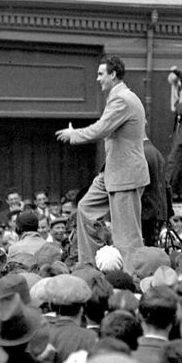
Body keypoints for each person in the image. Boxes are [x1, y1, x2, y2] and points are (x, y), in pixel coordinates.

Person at [56, 55, 149, 267]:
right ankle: (90, 266)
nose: (98, 79)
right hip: (112, 174)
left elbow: (101, 128)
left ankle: (130, 279)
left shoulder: (122, 99)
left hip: (125, 176)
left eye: (101, 74)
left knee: (127, 239)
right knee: (85, 209)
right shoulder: (122, 97)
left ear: (113, 74)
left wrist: (74, 134)